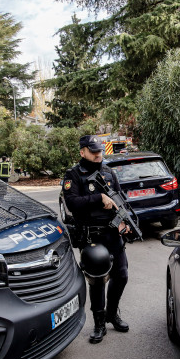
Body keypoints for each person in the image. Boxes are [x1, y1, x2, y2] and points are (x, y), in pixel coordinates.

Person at [62, 135, 131, 344]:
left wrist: (124, 221)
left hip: (112, 233)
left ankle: (112, 314)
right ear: (82, 152)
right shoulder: (73, 175)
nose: (98, 154)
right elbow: (72, 203)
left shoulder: (108, 172)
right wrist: (99, 198)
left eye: (100, 150)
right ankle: (99, 323)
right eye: (93, 151)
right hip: (91, 236)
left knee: (122, 275)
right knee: (98, 280)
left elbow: (120, 199)